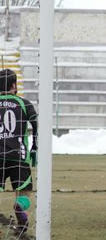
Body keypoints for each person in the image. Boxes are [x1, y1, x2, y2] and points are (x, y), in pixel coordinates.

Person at [0, 69, 38, 236]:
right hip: (18, 156)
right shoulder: (24, 103)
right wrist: (35, 148)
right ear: (14, 85)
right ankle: (20, 209)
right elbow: (37, 124)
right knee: (23, 190)